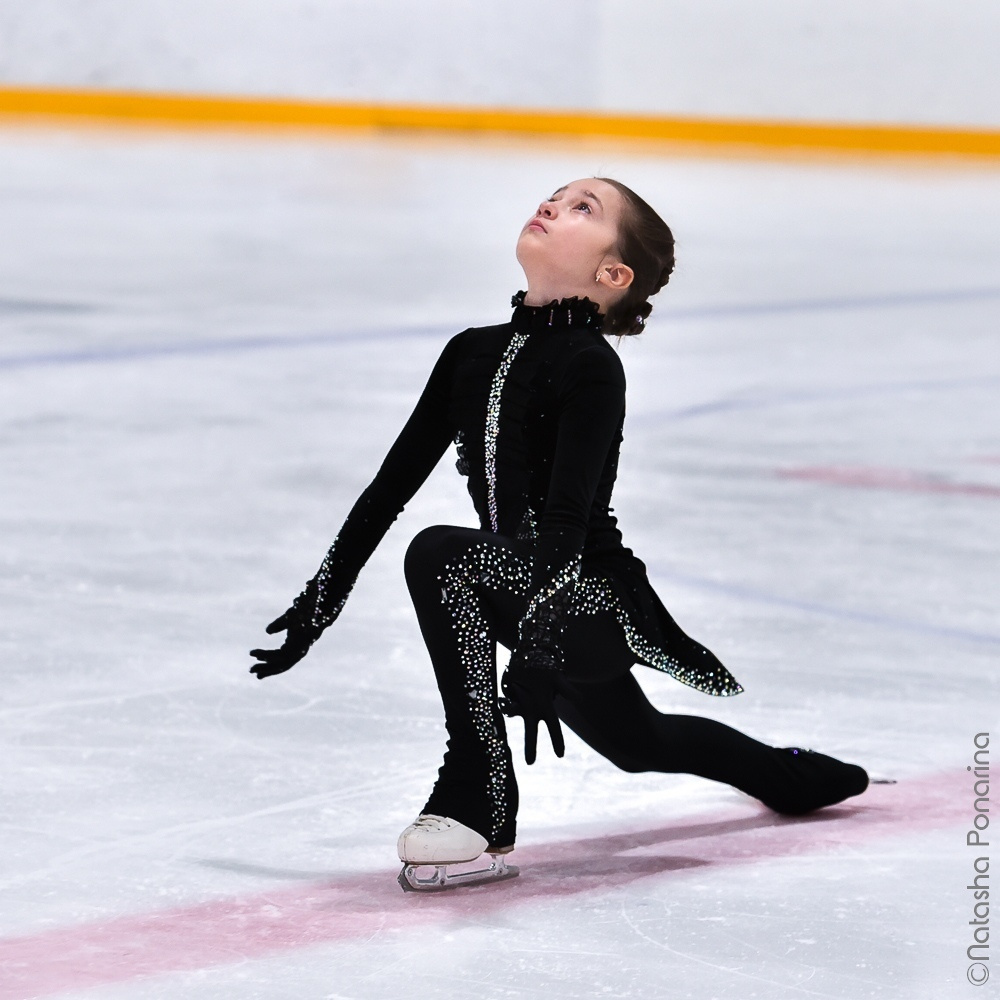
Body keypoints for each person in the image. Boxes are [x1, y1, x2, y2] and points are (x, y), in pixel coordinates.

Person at [250, 177, 869, 889]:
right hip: (522, 595)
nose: (552, 206)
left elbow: (569, 523)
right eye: (556, 195)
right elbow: (388, 488)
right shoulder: (469, 353)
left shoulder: (589, 366)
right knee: (641, 743)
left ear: (613, 275)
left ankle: (477, 786)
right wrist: (320, 601)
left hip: (584, 598)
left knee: (440, 552)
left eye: (584, 209)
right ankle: (787, 776)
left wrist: (540, 648)